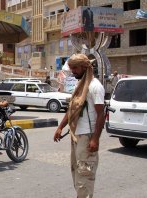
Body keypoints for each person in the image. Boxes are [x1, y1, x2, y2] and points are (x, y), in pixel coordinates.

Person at [53, 54, 105, 198]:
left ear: (85, 67)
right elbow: (72, 110)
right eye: (71, 68)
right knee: (76, 171)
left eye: (75, 68)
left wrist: (95, 139)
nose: (73, 71)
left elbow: (101, 114)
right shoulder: (80, 85)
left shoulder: (95, 86)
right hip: (76, 135)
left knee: (85, 174)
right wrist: (60, 127)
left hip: (87, 136)